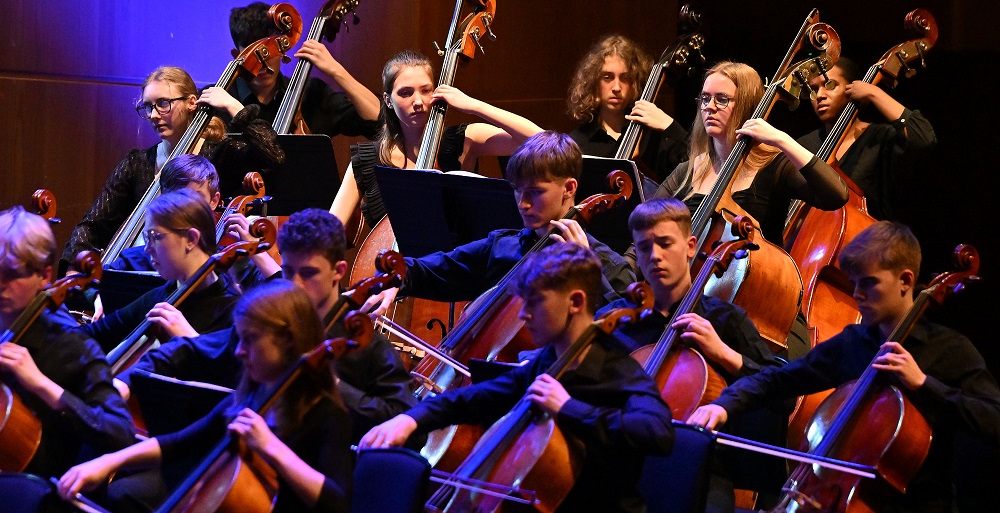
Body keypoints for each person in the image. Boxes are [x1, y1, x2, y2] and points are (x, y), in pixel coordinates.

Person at [688, 221, 1000, 513]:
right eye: (854, 283)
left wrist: (923, 384)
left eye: (869, 283)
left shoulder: (949, 349)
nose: (857, 294)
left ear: (905, 280)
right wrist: (723, 406)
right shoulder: (854, 342)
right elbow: (778, 380)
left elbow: (992, 419)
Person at [359, 242, 674, 513]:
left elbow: (657, 432)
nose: (523, 314)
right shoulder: (549, 362)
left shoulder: (618, 371)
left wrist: (568, 408)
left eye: (535, 302)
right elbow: (477, 397)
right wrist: (410, 420)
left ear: (576, 302)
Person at [113, 209, 417, 445]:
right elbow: (187, 351)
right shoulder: (267, 322)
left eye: (309, 273)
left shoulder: (369, 346)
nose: (294, 286)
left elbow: (406, 423)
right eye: (287, 271)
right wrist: (125, 381)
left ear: (338, 271)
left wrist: (330, 384)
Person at [57, 281, 354, 513]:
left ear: (288, 339)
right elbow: (181, 443)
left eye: (249, 340)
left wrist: (271, 447)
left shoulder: (326, 413)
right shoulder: (253, 396)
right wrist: (107, 463)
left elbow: (338, 503)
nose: (238, 352)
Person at [602, 197, 787, 511]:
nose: (655, 256)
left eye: (665, 243)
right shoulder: (616, 319)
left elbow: (784, 395)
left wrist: (723, 353)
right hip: (620, 460)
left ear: (690, 246)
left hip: (699, 469)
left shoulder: (725, 320)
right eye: (644, 247)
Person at [361, 131, 636, 317]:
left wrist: (589, 273)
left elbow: (629, 334)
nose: (523, 203)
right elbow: (432, 269)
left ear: (569, 188)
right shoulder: (502, 247)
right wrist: (396, 278)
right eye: (518, 190)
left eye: (536, 192)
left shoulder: (607, 265)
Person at [61, 65, 285, 272]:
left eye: (163, 104)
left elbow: (273, 156)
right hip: (143, 267)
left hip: (206, 272)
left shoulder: (223, 154)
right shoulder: (137, 163)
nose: (154, 115)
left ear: (191, 102)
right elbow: (92, 225)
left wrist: (235, 107)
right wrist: (74, 270)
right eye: (148, 107)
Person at [329, 48, 543, 233]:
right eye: (406, 93)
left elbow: (541, 140)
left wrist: (474, 105)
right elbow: (330, 230)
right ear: (388, 101)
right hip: (390, 275)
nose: (419, 101)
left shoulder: (464, 140)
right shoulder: (367, 161)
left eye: (426, 90)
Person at [0, 206, 135, 479]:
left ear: (45, 276)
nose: (1, 284)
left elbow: (120, 431)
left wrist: (42, 385)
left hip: (37, 489)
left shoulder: (72, 345)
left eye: (12, 273)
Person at [653, 60, 849, 247]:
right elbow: (648, 225)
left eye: (721, 99)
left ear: (746, 105)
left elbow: (836, 196)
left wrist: (782, 140)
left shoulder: (775, 166)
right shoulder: (688, 170)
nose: (709, 107)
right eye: (705, 98)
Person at [76, 188, 240, 356]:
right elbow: (92, 334)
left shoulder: (234, 309)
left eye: (155, 236)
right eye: (147, 238)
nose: (147, 249)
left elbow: (233, 376)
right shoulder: (162, 297)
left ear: (191, 239)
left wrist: (193, 342)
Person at [105, 153, 276, 292]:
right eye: (176, 199)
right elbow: (96, 285)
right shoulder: (140, 258)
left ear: (214, 201)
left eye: (195, 198)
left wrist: (255, 249)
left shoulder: (235, 263)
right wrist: (98, 296)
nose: (185, 209)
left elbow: (288, 299)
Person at [209, 1, 381, 139]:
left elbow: (377, 123)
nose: (263, 63)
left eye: (268, 52)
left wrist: (336, 71)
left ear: (281, 48)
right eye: (253, 55)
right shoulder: (218, 101)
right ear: (236, 55)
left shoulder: (312, 95)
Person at [797, 56, 937, 221]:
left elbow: (923, 138)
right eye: (814, 89)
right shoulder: (803, 146)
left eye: (830, 85)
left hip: (872, 241)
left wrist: (873, 92)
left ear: (853, 88)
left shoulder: (879, 138)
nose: (820, 95)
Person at [566, 34, 688, 184]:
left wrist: (670, 125)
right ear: (594, 82)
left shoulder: (653, 138)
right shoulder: (577, 143)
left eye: (625, 78)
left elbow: (696, 165)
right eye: (607, 77)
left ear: (635, 84)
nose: (617, 87)